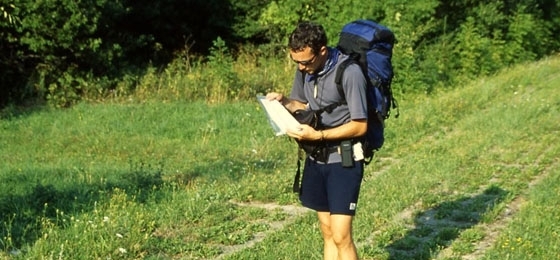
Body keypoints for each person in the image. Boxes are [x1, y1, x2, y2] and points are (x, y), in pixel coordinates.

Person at [266, 21, 368, 260]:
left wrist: (319, 135)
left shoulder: (349, 72)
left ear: (322, 51)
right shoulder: (306, 69)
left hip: (344, 159)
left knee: (342, 236)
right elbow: (303, 105)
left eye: (305, 62)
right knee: (327, 230)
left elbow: (360, 125)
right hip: (316, 158)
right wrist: (284, 102)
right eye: (296, 62)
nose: (301, 68)